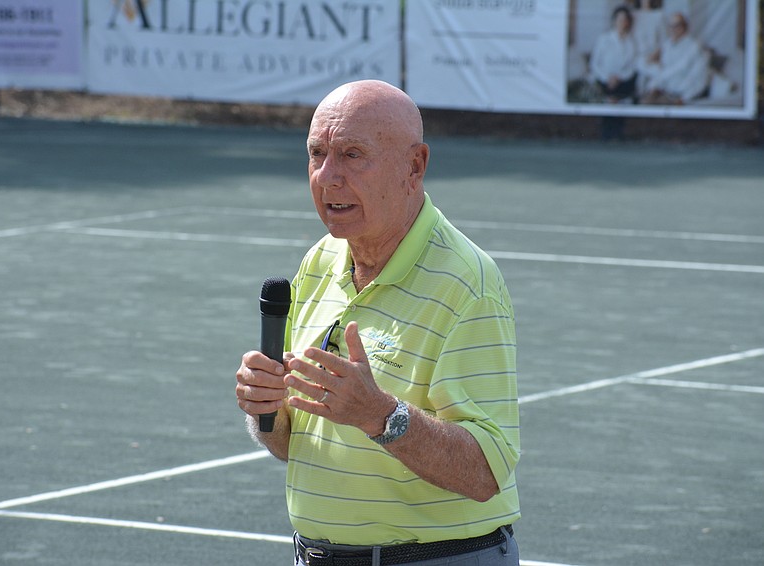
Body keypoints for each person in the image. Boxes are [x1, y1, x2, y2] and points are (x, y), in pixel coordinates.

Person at [235, 80, 520, 566]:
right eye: (317, 153)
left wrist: (382, 416)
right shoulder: (320, 261)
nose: (328, 177)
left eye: (352, 154)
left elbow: (485, 472)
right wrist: (268, 410)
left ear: (414, 166)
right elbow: (292, 445)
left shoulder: (467, 282)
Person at [640, 11, 709, 105]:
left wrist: (683, 99)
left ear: (684, 27)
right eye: (671, 26)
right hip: (668, 94)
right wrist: (653, 88)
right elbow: (662, 71)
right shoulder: (667, 45)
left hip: (687, 96)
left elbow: (694, 77)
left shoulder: (694, 47)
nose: (673, 29)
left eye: (677, 25)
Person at [590, 6, 639, 102]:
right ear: (614, 21)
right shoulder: (603, 39)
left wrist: (619, 78)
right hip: (603, 81)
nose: (622, 22)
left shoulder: (631, 43)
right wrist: (607, 78)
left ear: (628, 22)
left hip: (622, 82)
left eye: (625, 19)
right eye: (619, 19)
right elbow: (594, 64)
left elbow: (632, 67)